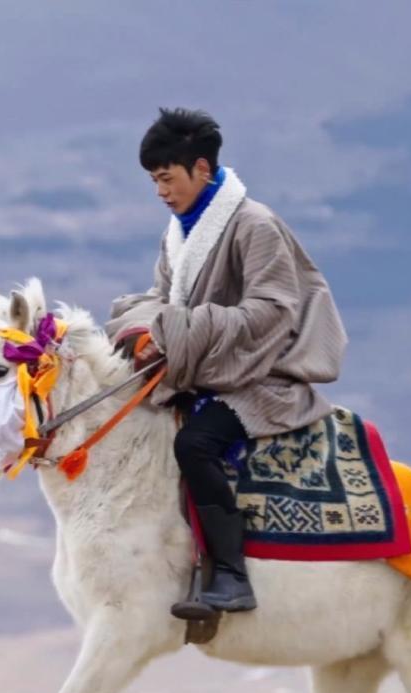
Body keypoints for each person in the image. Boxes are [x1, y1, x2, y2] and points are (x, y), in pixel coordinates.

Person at [104, 108, 348, 619]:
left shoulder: (255, 226)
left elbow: (272, 311)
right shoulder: (179, 233)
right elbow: (160, 300)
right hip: (211, 372)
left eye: (166, 178)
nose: (160, 192)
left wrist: (174, 332)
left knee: (194, 444)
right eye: (154, 181)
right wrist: (146, 333)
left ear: (201, 169)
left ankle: (232, 575)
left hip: (263, 375)